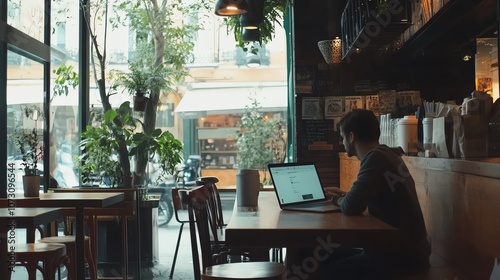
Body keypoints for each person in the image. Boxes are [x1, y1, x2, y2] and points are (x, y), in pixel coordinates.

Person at [324, 109, 430, 279]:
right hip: (409, 252)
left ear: (352, 137)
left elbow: (352, 206)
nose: (342, 142)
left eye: (342, 137)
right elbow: (365, 196)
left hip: (399, 259)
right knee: (323, 255)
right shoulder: (387, 153)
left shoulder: (375, 158)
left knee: (325, 272)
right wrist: (345, 195)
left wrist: (336, 199)